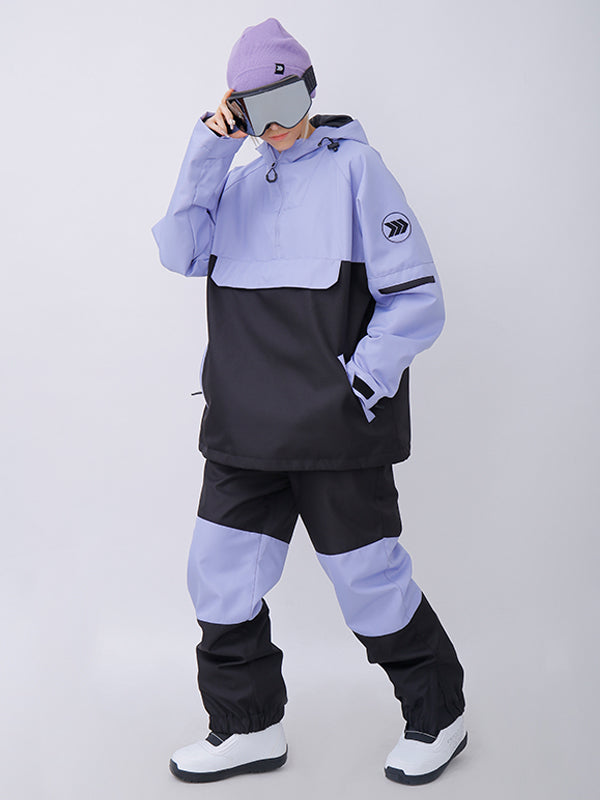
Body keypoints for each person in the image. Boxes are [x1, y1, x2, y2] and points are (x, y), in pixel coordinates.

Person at [151, 16, 467, 786]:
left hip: (335, 432)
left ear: (311, 90)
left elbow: (417, 298)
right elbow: (178, 251)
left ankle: (439, 715)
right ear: (236, 110)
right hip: (243, 431)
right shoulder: (234, 179)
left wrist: (357, 385)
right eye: (256, 110)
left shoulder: (358, 169)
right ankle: (247, 726)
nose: (278, 125)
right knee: (217, 576)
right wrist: (209, 147)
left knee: (369, 583)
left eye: (288, 102)